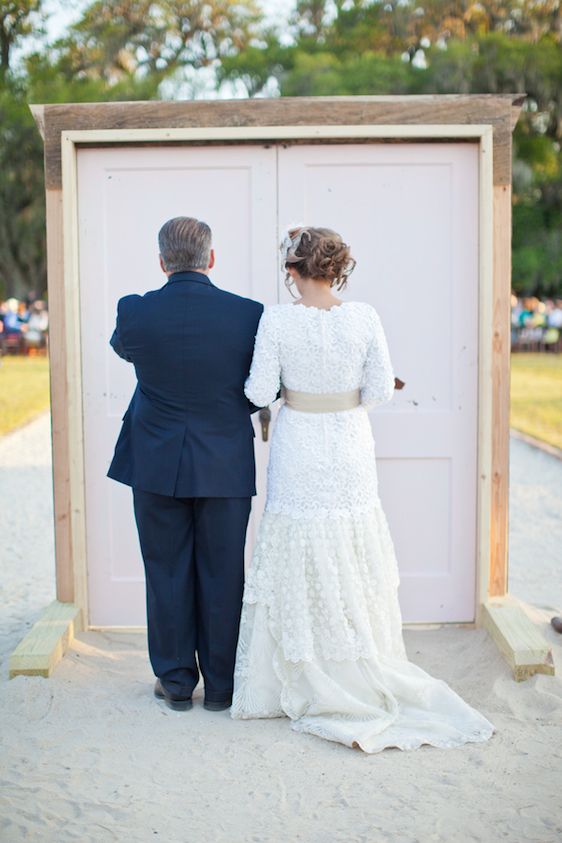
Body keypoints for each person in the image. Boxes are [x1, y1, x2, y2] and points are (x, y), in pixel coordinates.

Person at [231, 226, 496, 753]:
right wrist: (344, 408)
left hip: (300, 445)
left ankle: (299, 676)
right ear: (336, 269)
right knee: (353, 545)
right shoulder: (365, 316)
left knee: (299, 545)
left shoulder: (277, 320)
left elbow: (258, 391)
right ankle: (361, 659)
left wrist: (293, 395)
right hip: (350, 442)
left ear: (292, 271)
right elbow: (379, 390)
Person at [107, 217, 263, 712]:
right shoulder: (248, 315)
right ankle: (220, 687)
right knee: (223, 572)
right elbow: (263, 386)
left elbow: (124, 351)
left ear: (161, 261)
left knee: (166, 569)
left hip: (155, 460)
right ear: (211, 258)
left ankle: (175, 682)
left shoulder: (134, 312)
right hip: (225, 463)